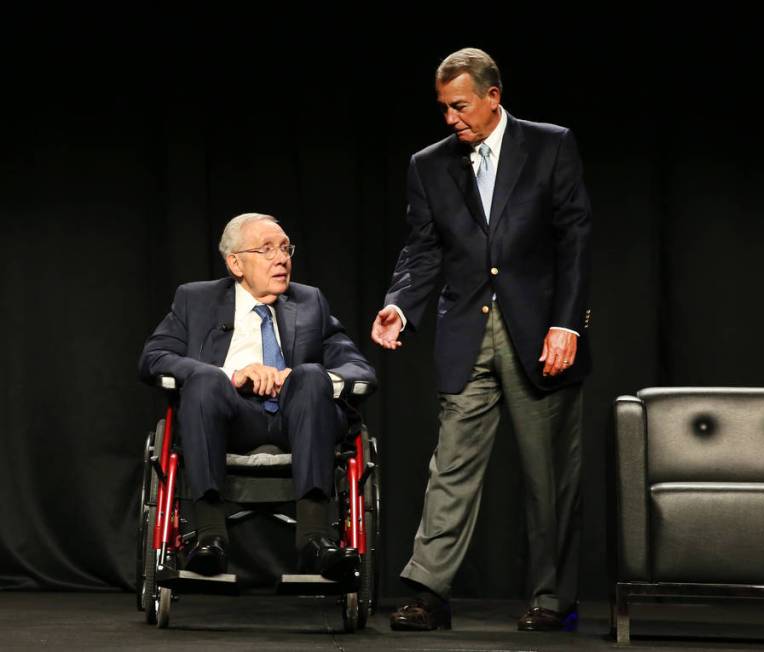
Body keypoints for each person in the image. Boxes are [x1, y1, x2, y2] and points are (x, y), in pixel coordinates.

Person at [371, 48, 593, 631]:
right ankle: (428, 590)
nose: (451, 119)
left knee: (548, 476)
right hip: (467, 331)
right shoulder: (430, 164)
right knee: (451, 468)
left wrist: (566, 322)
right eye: (444, 108)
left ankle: (552, 599)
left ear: (494, 96)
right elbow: (422, 251)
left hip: (540, 335)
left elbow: (575, 240)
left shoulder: (550, 145)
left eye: (460, 106)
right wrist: (400, 306)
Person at [139, 212, 376, 582]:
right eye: (266, 250)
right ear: (235, 263)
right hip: (230, 420)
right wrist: (231, 376)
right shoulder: (195, 299)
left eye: (284, 248)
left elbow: (357, 368)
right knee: (202, 379)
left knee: (312, 374)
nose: (281, 258)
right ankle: (210, 539)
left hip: (298, 419)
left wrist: (297, 379)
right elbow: (154, 358)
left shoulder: (310, 302)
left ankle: (315, 539)